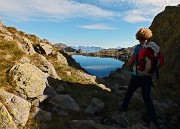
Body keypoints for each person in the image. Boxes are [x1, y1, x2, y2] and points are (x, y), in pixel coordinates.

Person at [119, 28, 157, 126]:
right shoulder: (152, 47)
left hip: (137, 75)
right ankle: (152, 115)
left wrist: (127, 66)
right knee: (146, 96)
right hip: (148, 76)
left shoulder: (138, 47)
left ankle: (123, 107)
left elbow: (132, 60)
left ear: (138, 37)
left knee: (129, 92)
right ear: (148, 37)